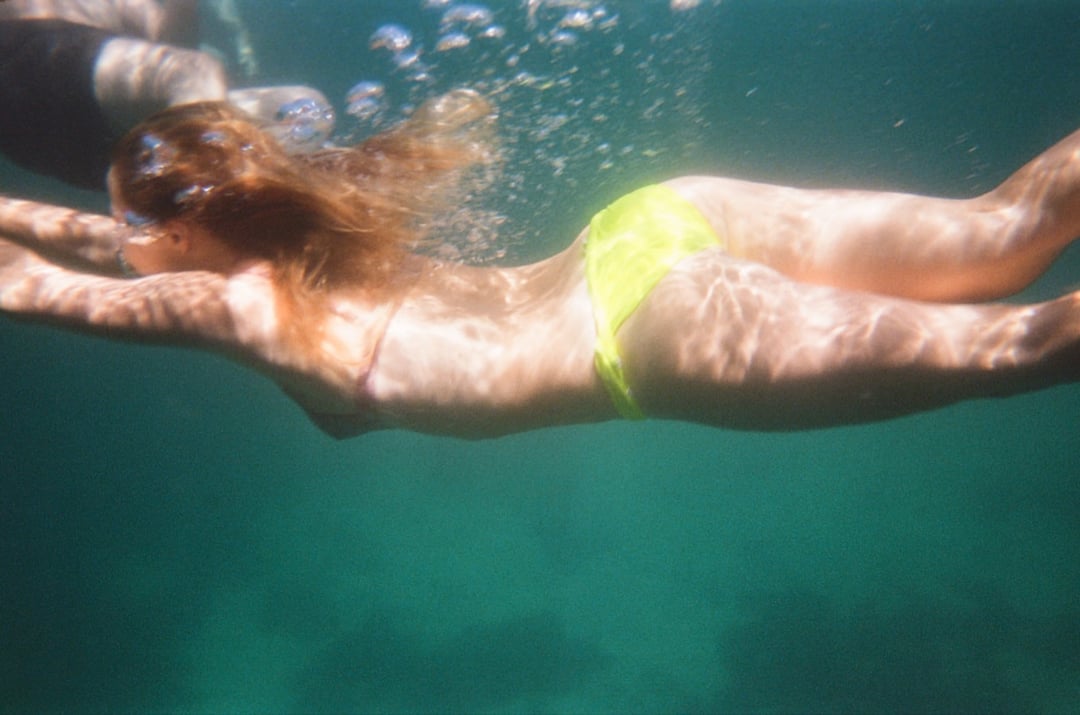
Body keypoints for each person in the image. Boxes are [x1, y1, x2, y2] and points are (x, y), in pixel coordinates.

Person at [0, 89, 1077, 438]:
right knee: (1003, 228)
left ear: (186, 231)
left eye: (126, 221)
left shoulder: (236, 306)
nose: (110, 233)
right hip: (649, 224)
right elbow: (99, 248)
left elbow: (33, 288)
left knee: (1021, 344)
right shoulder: (298, 226)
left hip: (647, 327)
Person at [0, 0, 330, 190]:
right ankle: (218, 216)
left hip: (103, 138)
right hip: (31, 63)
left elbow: (169, 49)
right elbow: (181, 69)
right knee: (191, 72)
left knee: (298, 108)